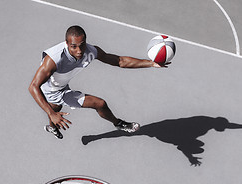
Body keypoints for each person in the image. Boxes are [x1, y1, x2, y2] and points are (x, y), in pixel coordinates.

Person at [29, 25, 167, 139]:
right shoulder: (54, 59)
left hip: (62, 87)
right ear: (66, 44)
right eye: (73, 46)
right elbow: (33, 86)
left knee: (100, 104)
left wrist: (151, 63)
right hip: (50, 92)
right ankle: (52, 125)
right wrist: (52, 114)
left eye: (81, 46)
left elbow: (120, 61)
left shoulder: (90, 51)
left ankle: (118, 123)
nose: (78, 51)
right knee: (54, 110)